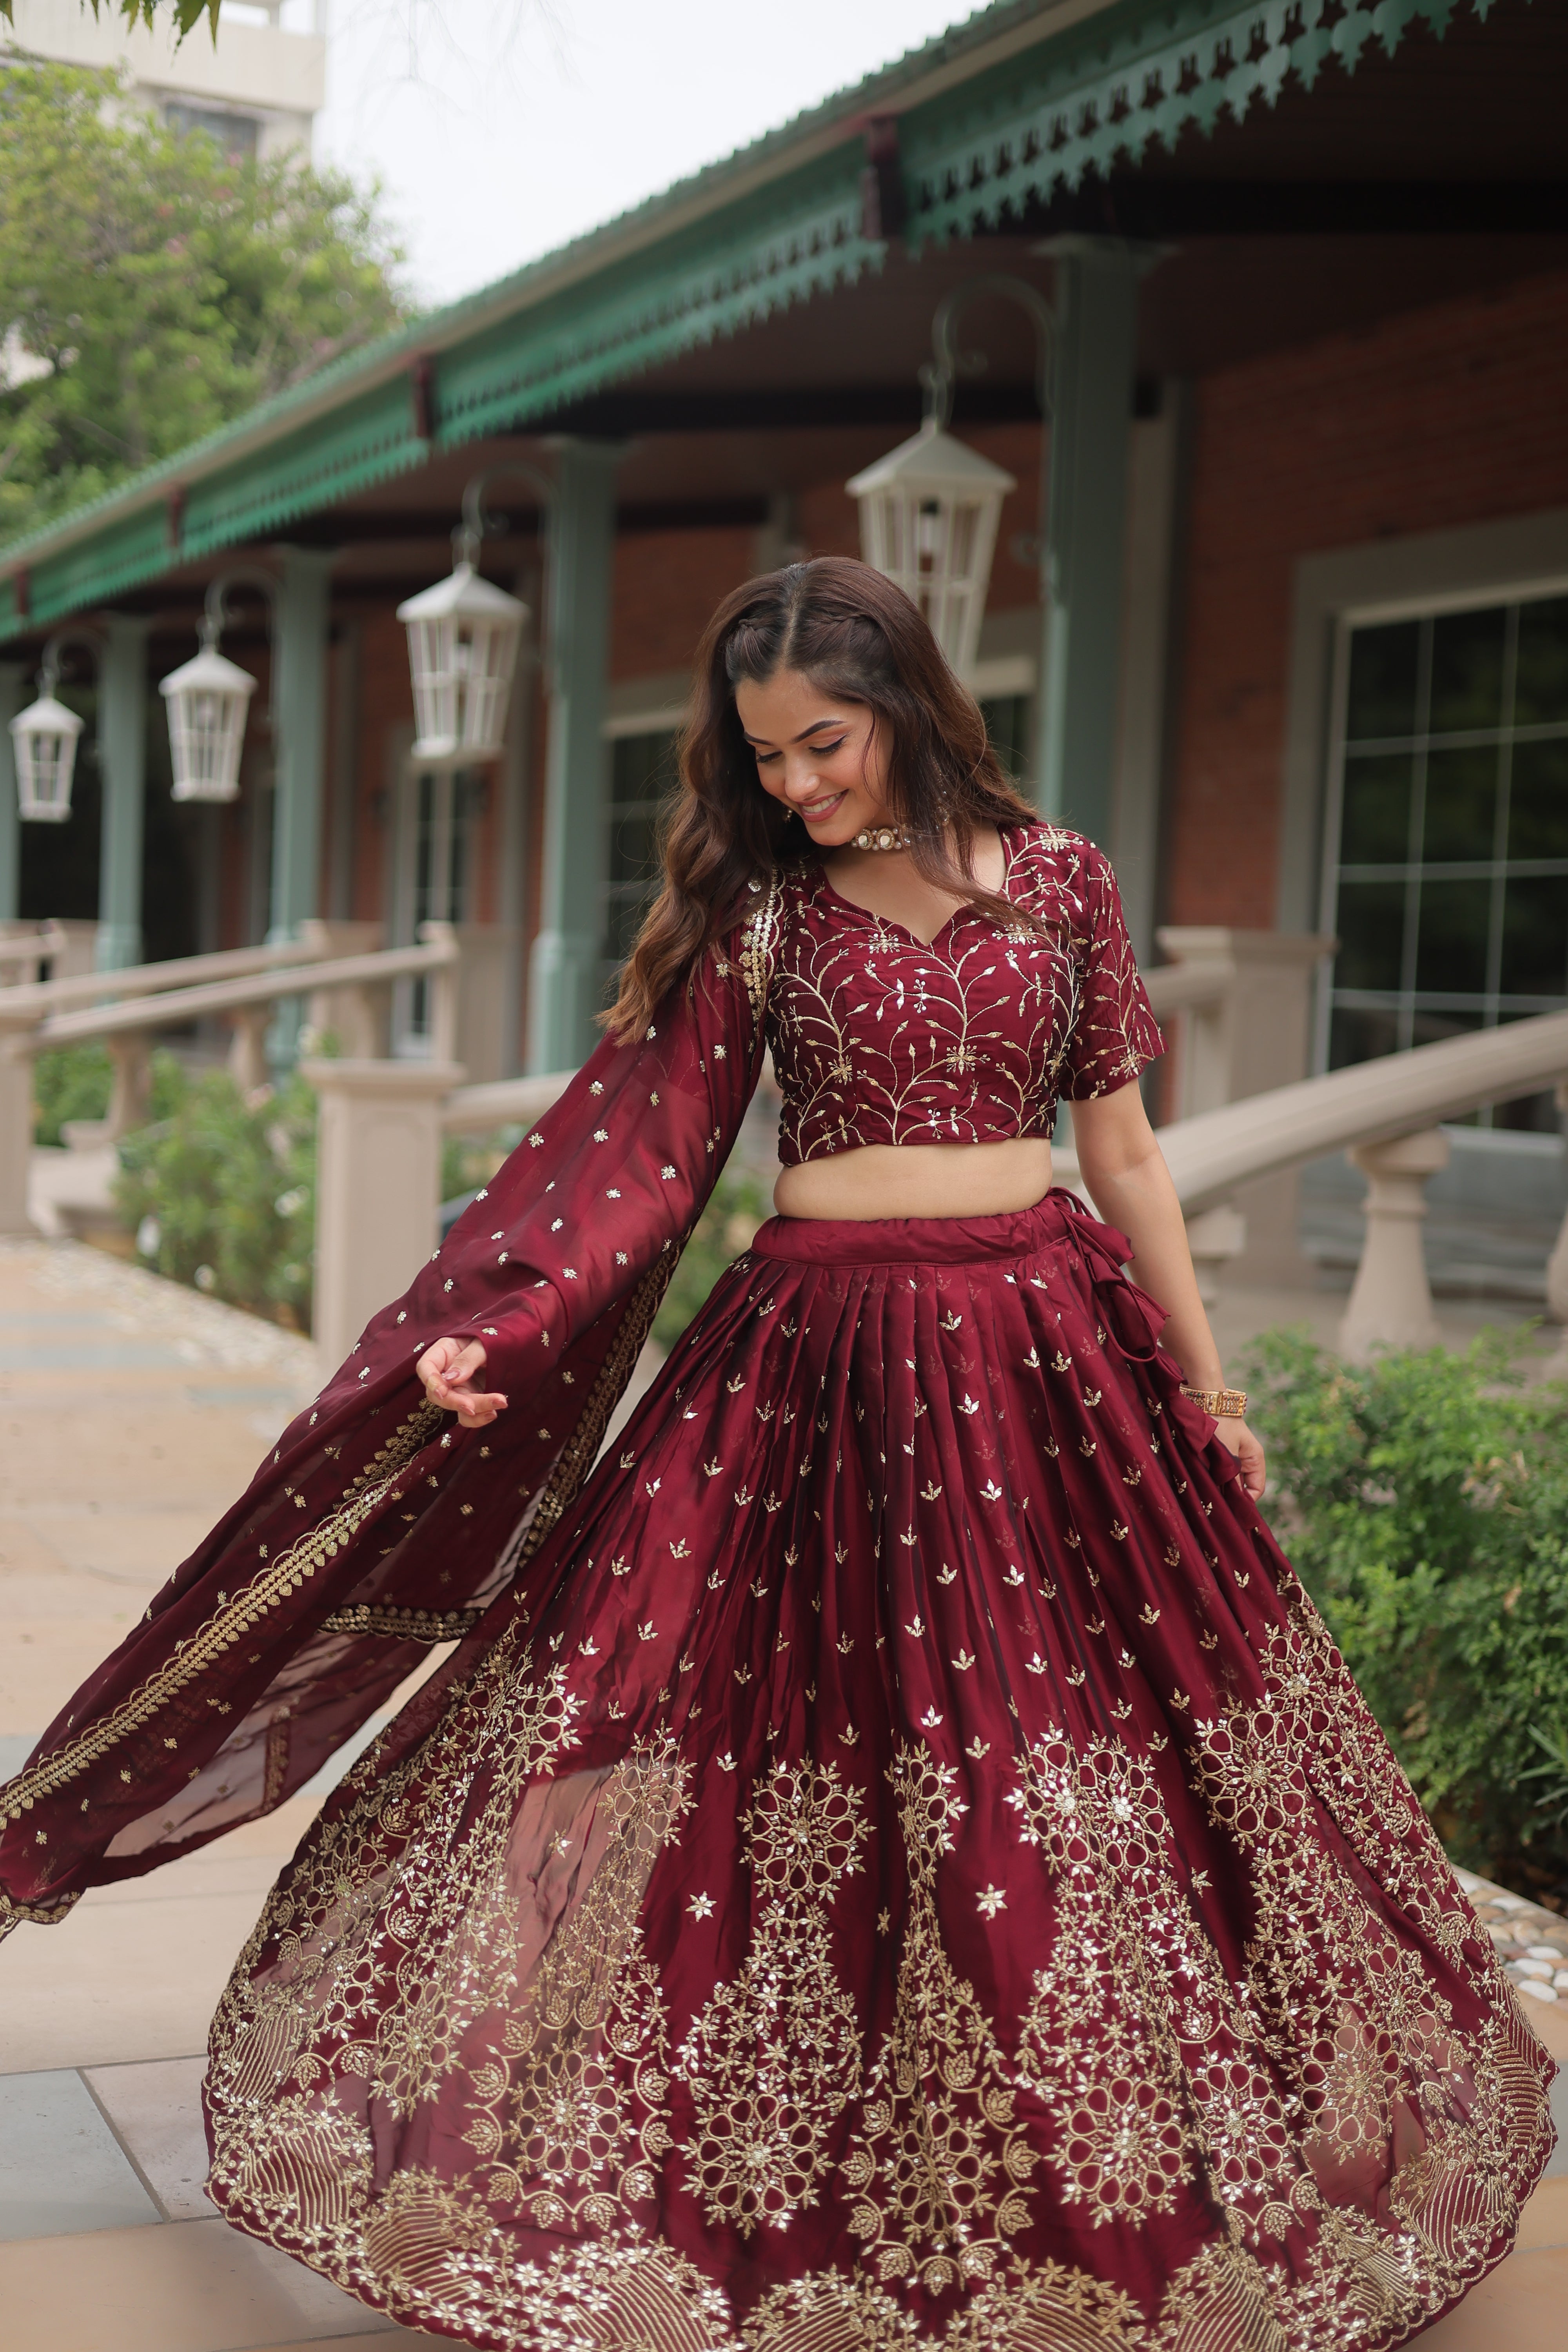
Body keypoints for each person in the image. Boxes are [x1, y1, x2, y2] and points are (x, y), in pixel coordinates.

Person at [0, 558, 1552, 2351]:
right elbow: (636, 1159)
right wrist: (494, 1331)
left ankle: (1115, 2198)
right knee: (734, 1739)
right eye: (768, 757)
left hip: (1047, 1352)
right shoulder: (759, 914)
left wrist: (1202, 1391)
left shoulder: (1064, 883)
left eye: (823, 745)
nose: (800, 784)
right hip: (816, 1371)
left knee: (1072, 1764)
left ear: (908, 697)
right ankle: (758, 2197)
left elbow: (1123, 1157)